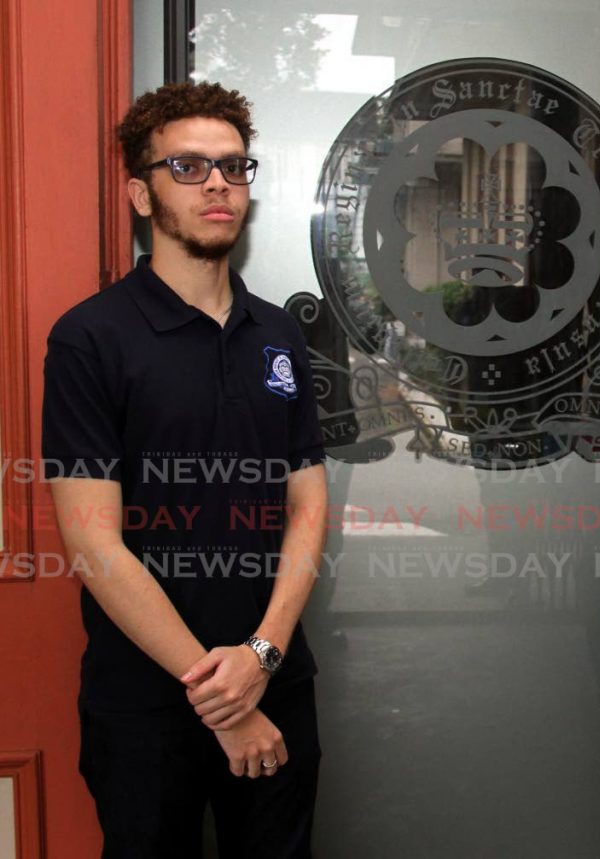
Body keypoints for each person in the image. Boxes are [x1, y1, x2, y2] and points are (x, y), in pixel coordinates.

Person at [42, 81, 327, 857]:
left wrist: (262, 657)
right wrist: (225, 702)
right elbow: (93, 543)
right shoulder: (90, 339)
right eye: (190, 167)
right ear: (140, 192)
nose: (218, 185)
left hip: (277, 682)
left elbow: (307, 506)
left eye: (235, 168)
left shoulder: (279, 335)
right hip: (145, 704)